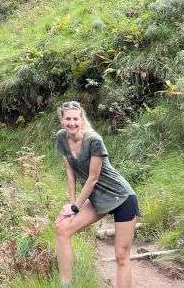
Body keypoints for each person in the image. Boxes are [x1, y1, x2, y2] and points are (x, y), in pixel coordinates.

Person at [52, 100, 139, 288]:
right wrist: (71, 204)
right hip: (97, 199)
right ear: (62, 120)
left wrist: (76, 207)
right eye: (68, 119)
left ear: (81, 119)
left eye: (76, 118)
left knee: (121, 256)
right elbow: (70, 172)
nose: (72, 123)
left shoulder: (94, 140)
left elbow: (92, 178)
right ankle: (65, 285)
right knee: (62, 229)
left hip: (121, 197)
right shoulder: (61, 138)